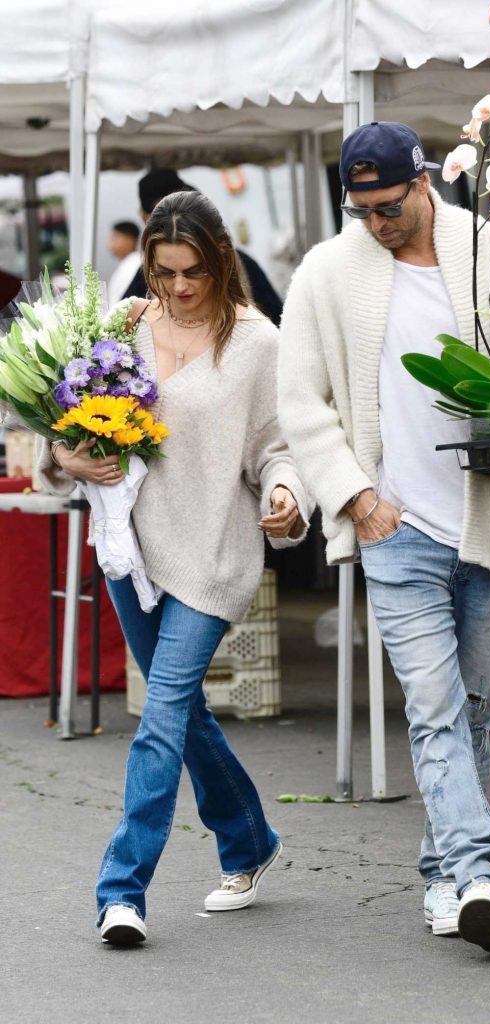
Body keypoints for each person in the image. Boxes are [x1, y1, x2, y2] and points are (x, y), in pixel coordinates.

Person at [278, 121, 490, 954]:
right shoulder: (325, 273)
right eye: (362, 210)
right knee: (432, 711)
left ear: (423, 180)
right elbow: (301, 402)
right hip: (395, 530)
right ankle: (478, 876)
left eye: (389, 205)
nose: (378, 223)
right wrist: (355, 499)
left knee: (477, 707)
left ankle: (439, 877)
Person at [38, 190, 311, 946]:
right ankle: (250, 842)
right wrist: (64, 455)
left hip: (215, 555)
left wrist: (287, 491)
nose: (179, 287)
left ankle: (121, 891)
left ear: (220, 260)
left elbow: (276, 446)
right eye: (163, 272)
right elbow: (65, 423)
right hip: (131, 553)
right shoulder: (122, 326)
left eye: (192, 271)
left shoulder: (259, 342)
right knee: (181, 710)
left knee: (158, 720)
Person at [123, 168, 284, 325]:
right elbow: (119, 328)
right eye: (167, 273)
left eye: (195, 271)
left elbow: (278, 322)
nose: (180, 287)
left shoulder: (241, 264)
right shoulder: (146, 275)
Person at [106, 221, 141, 305]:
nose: (110, 243)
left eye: (115, 238)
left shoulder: (135, 264)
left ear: (130, 240)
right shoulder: (128, 263)